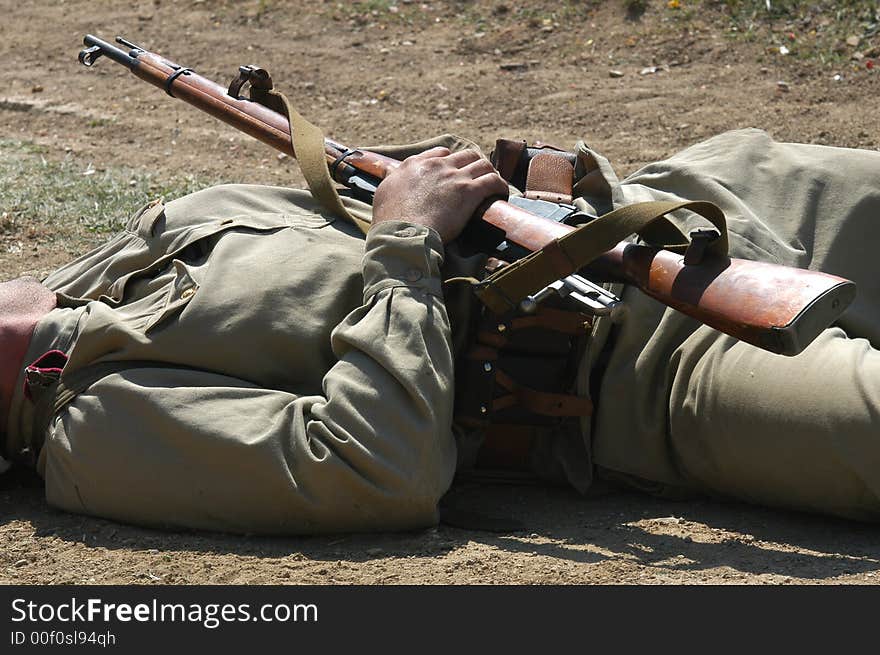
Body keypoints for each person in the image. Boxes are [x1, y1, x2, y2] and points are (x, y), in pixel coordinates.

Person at [1, 128, 878, 534]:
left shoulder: (124, 255)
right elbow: (371, 466)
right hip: (656, 377)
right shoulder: (91, 432)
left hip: (678, 208)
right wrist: (408, 238)